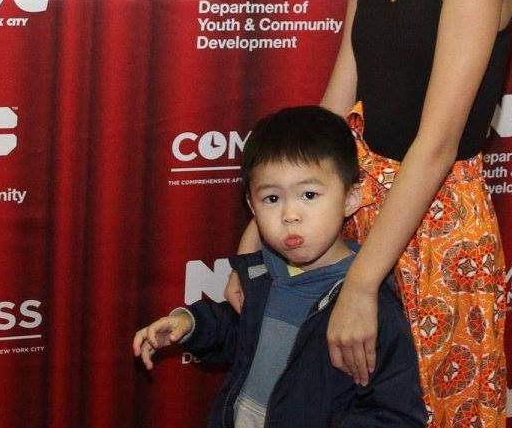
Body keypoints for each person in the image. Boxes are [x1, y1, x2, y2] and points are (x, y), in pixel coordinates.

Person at [228, 0, 512, 428]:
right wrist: (256, 230)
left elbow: (438, 139)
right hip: (349, 209)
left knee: (426, 409)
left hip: (436, 224)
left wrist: (362, 280)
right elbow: (332, 112)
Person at [132, 105, 425, 428]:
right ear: (251, 206)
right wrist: (189, 324)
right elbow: (240, 336)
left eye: (309, 195)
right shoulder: (262, 273)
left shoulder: (368, 304)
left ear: (350, 199)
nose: (290, 214)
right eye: (272, 199)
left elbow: (394, 412)